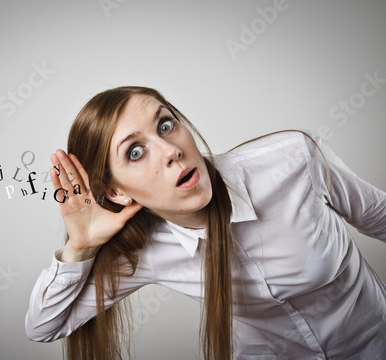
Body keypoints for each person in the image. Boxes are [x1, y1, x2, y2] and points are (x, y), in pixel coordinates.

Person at [25, 86, 386, 359]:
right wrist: (81, 246)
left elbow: (378, 216)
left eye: (165, 125)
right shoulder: (142, 250)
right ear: (116, 192)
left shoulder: (292, 159)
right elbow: (44, 326)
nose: (171, 151)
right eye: (135, 151)